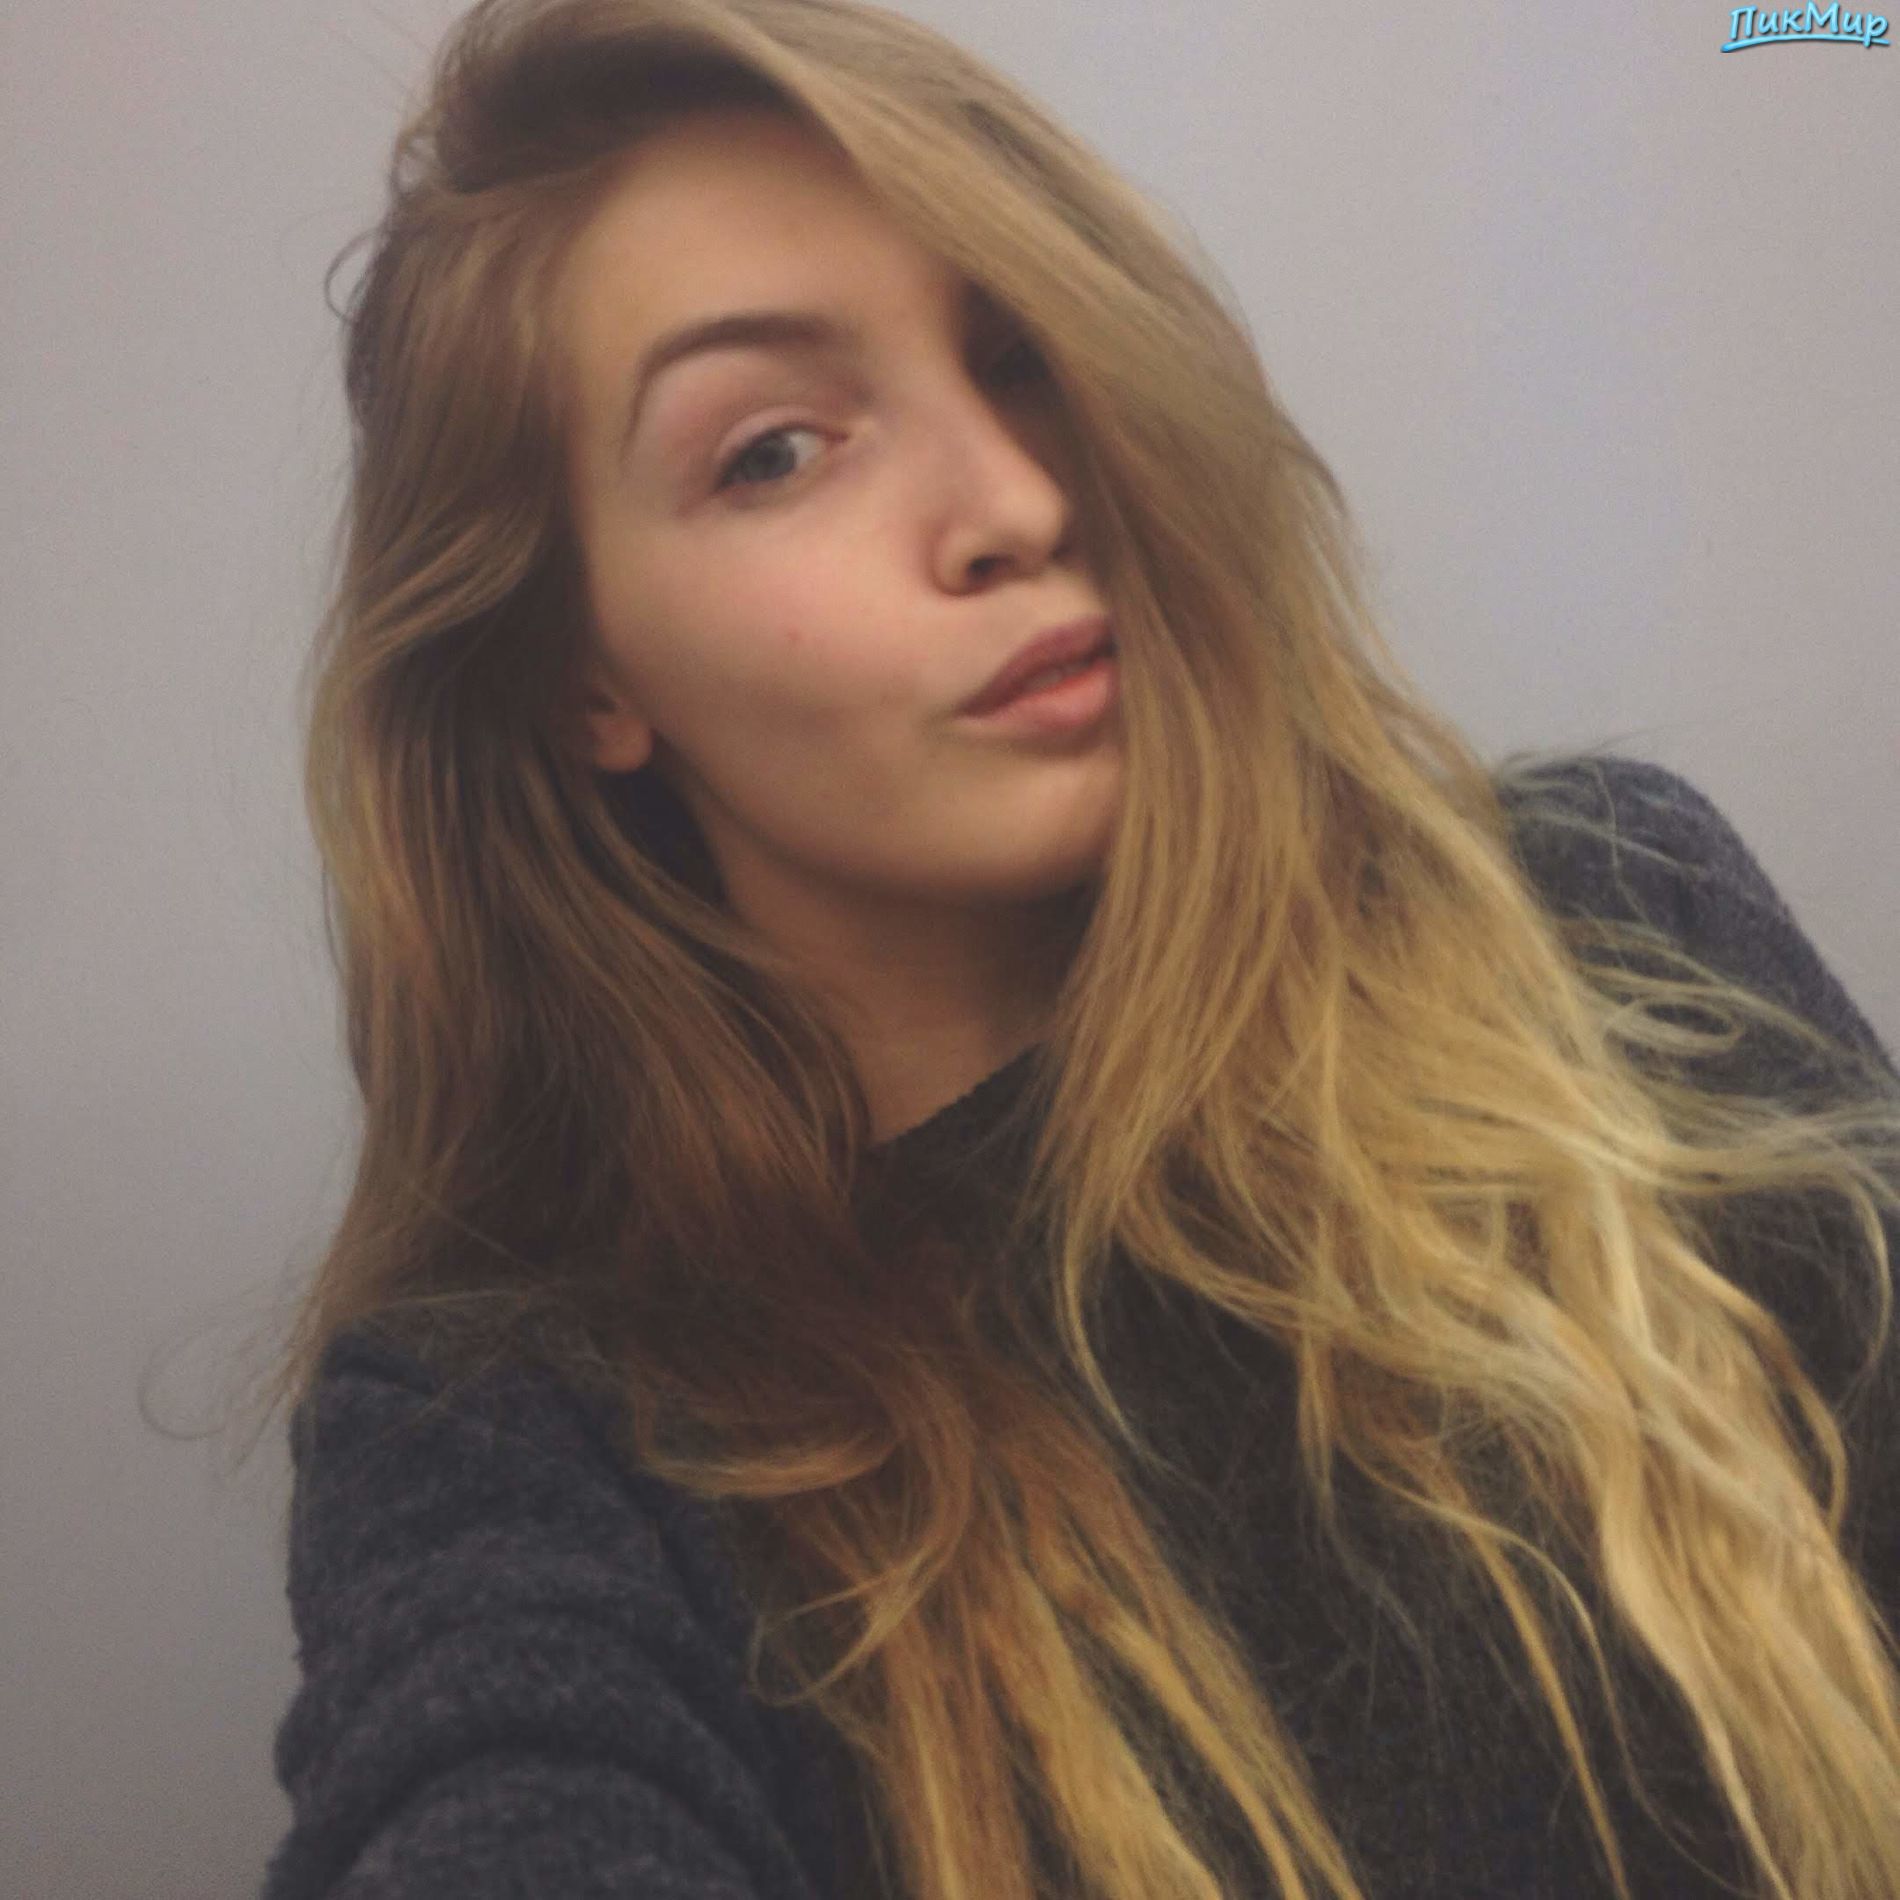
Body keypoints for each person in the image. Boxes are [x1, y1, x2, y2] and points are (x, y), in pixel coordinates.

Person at [251, 2, 1900, 1895]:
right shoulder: (526, 1436)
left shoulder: (1607, 929)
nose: (1019, 505)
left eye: (1022, 357)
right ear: (581, 678)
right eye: (776, 451)